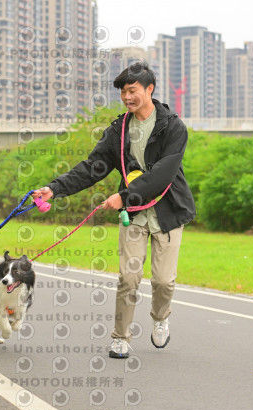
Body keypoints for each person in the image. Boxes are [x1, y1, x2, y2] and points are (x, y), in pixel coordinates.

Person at [32, 61, 196, 358]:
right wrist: (54, 188)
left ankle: (160, 318)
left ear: (149, 88)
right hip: (133, 215)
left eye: (132, 90)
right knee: (128, 278)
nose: (127, 97)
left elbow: (164, 173)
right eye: (123, 92)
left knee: (163, 282)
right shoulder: (119, 130)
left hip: (169, 212)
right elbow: (91, 168)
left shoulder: (173, 126)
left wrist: (124, 195)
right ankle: (121, 337)